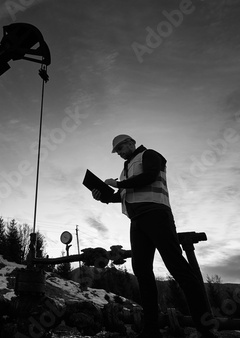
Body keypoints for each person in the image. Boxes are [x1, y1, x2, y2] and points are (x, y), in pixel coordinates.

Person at [91, 134, 218, 338]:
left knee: (177, 266)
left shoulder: (149, 155)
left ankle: (205, 326)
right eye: (117, 152)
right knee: (141, 270)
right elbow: (122, 196)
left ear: (131, 143)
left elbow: (149, 176)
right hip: (137, 221)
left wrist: (118, 183)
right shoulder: (125, 170)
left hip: (156, 215)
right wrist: (102, 196)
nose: (120, 153)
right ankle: (151, 329)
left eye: (121, 148)